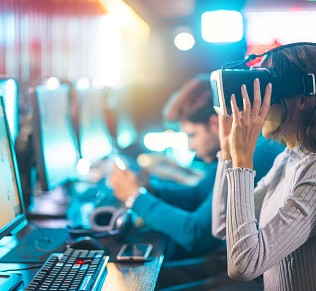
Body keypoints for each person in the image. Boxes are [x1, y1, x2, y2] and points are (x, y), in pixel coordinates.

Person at [212, 42, 316, 290]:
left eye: (268, 93)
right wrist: (228, 153)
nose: (260, 106)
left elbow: (244, 265)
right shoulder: (288, 159)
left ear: (303, 99)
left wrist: (242, 158)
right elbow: (224, 227)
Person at [109, 75, 284, 287]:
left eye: (192, 135)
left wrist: (135, 197)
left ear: (215, 123)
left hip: (256, 279)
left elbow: (197, 234)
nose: (191, 147)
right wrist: (150, 189)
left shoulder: (253, 153)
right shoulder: (242, 149)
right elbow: (199, 194)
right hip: (232, 263)